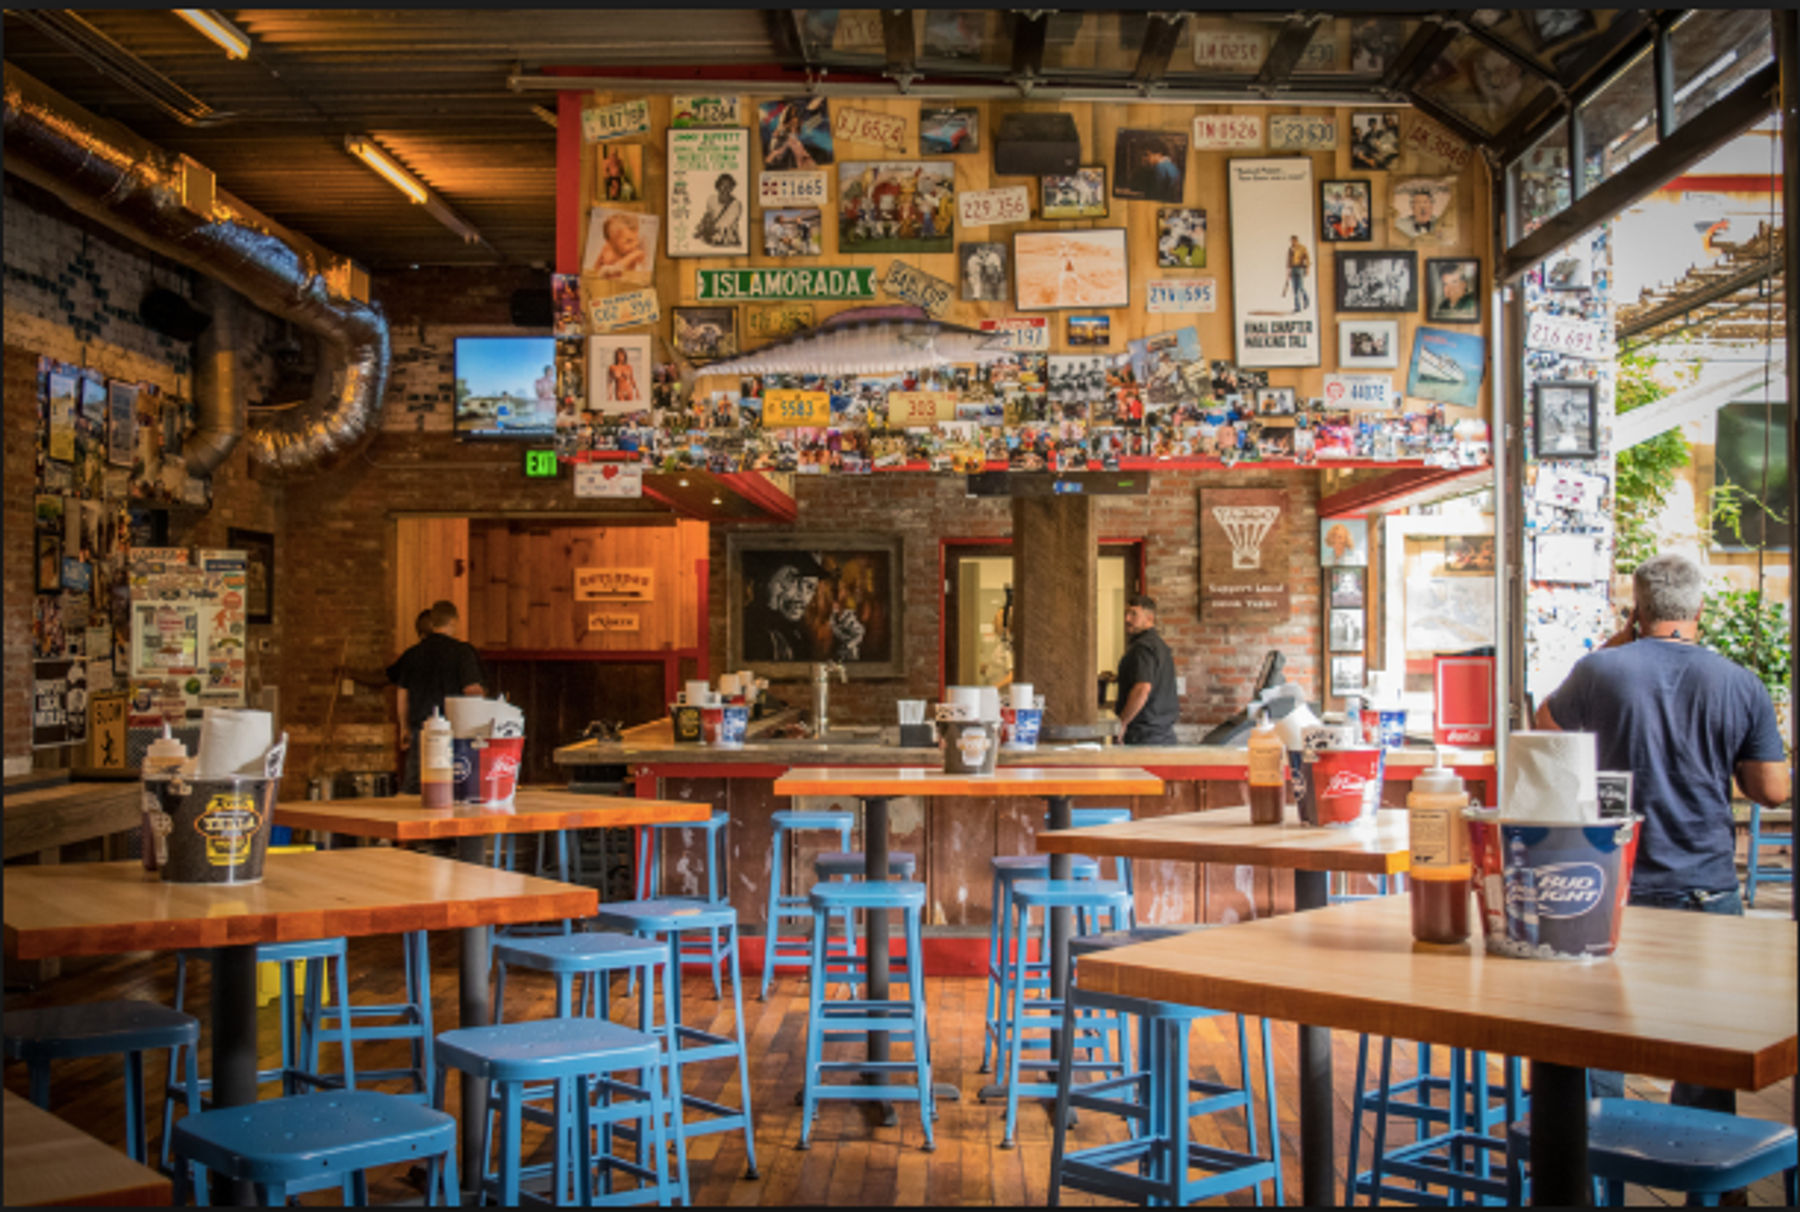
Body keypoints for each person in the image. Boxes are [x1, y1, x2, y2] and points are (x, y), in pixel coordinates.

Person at [1535, 554, 1788, 1119]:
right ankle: (1703, 1164)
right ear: (1700, 610)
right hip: (1705, 884)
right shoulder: (1740, 682)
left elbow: (1545, 729)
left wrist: (1615, 645)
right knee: (1704, 1047)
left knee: (1599, 1031)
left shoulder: (1600, 671)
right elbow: (1772, 791)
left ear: (1637, 611)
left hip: (1612, 881)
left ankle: (1596, 1154)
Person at [387, 600, 485, 795]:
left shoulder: (412, 654)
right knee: (455, 791)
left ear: (432, 623)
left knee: (414, 790)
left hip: (421, 731)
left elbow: (402, 694)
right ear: (454, 621)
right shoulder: (462, 652)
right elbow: (472, 690)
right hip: (455, 733)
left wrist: (404, 728)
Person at [1111, 594, 1180, 746]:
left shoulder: (1142, 648)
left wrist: (1122, 723)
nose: (1127, 619)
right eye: (1126, 613)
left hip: (1145, 737)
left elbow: (1142, 689)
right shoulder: (1159, 646)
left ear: (1150, 618)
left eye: (1133, 614)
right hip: (1163, 734)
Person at [695, 172, 743, 248]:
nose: (725, 188)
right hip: (710, 239)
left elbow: (725, 224)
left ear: (732, 188)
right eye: (723, 185)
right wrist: (702, 225)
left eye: (729, 186)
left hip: (728, 241)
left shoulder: (736, 204)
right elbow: (707, 216)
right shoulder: (711, 199)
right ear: (718, 186)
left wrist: (708, 228)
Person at [1285, 235, 1311, 312]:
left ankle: (1306, 300)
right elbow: (1289, 261)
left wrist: (1307, 268)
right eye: (1291, 241)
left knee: (1301, 287)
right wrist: (1288, 272)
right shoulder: (1290, 249)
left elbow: (1307, 258)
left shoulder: (1302, 248)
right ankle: (1297, 307)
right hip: (1293, 269)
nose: (1292, 242)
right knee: (1295, 289)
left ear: (1296, 240)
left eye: (1293, 240)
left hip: (1300, 268)